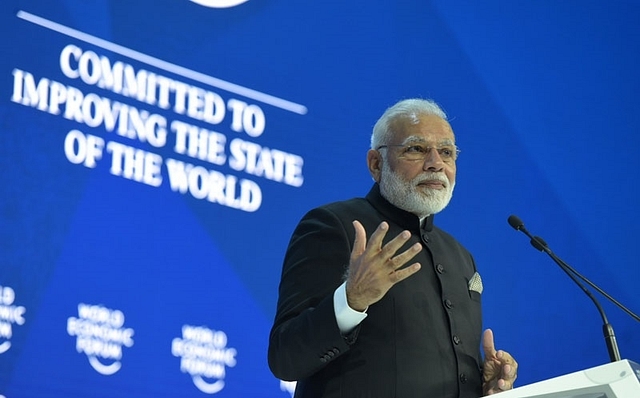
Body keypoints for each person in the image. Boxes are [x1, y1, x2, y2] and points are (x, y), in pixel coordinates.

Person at [268, 98, 518, 398]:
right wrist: (351, 300)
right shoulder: (335, 225)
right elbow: (285, 358)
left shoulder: (461, 257)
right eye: (417, 148)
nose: (436, 163)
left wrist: (485, 387)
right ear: (376, 163)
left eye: (447, 152)